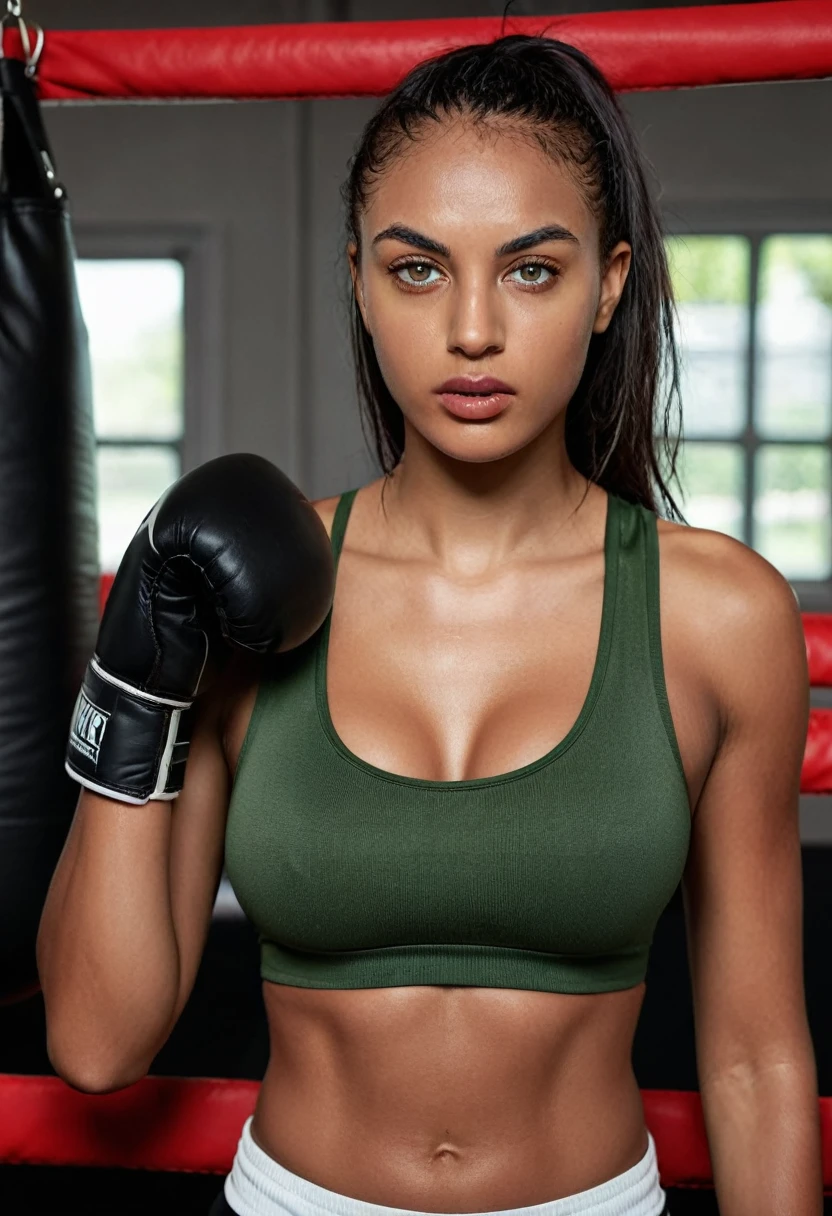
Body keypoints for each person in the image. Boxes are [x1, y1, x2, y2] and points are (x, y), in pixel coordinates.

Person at [38, 32, 822, 1216]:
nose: (470, 329)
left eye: (529, 270)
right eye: (416, 270)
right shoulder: (258, 595)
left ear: (608, 284)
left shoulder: (714, 613)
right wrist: (137, 682)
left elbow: (757, 1061)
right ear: (357, 276)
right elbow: (99, 1042)